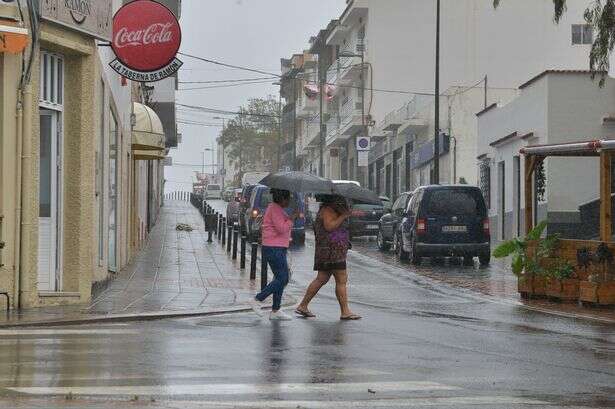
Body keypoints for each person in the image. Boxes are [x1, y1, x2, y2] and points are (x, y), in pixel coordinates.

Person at [295, 195, 362, 320]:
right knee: (341, 279)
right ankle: (345, 311)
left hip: (328, 251)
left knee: (322, 278)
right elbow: (329, 226)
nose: (344, 203)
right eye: (342, 201)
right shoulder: (328, 210)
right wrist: (343, 216)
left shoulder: (329, 209)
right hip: (332, 252)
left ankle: (303, 305)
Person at [250, 189, 297, 320]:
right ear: (282, 199)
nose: (289, 202)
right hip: (273, 247)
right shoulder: (274, 209)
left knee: (280, 278)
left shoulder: (276, 209)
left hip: (278, 247)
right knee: (283, 278)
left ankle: (276, 310)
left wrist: (289, 218)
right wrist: (291, 219)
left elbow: (280, 225)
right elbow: (281, 228)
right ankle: (257, 299)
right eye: (287, 199)